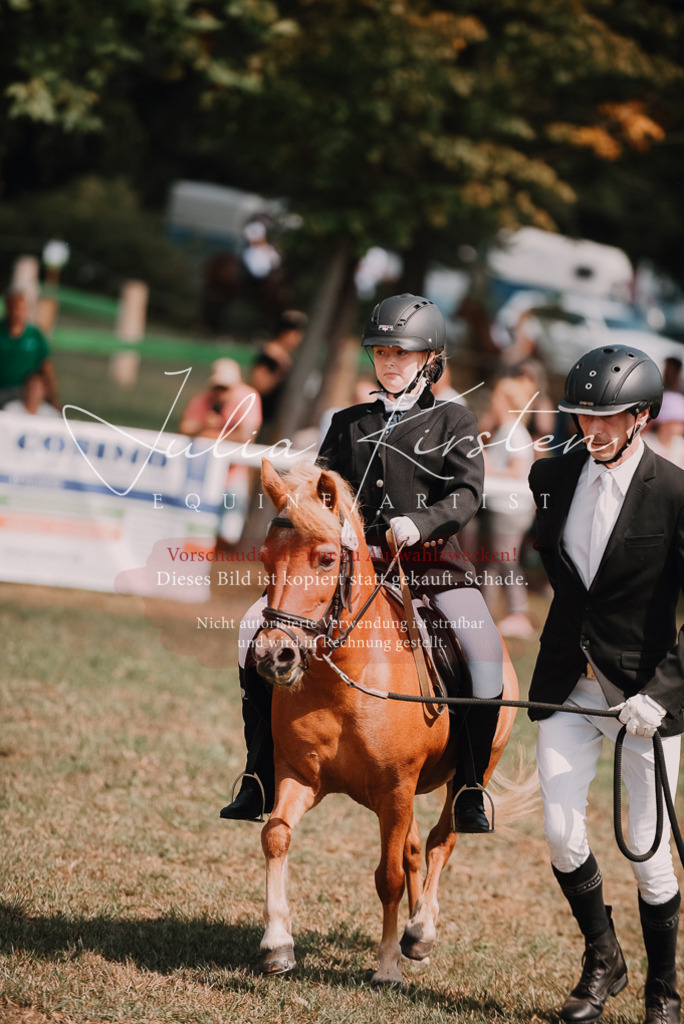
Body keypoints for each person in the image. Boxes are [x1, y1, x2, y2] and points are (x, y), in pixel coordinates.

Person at [222, 293, 505, 833]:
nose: (389, 363)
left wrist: (420, 524)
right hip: (346, 571)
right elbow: (314, 491)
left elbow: (467, 496)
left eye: (402, 353)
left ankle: (469, 787)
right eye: (380, 353)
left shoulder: (455, 420)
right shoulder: (348, 422)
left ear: (430, 359)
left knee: (484, 647)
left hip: (430, 567)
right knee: (250, 630)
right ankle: (259, 773)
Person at [528, 344, 684, 1024]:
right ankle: (603, 958)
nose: (591, 430)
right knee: (562, 835)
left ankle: (664, 993)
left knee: (649, 855)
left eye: (607, 419)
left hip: (644, 700)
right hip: (567, 684)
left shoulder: (676, 495)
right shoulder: (551, 477)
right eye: (582, 416)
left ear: (641, 417)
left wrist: (665, 691)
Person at [179, 359, 262, 544]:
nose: (220, 393)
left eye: (225, 387)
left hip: (233, 477)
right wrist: (204, 426)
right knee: (196, 535)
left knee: (228, 535)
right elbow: (184, 427)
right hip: (201, 477)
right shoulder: (203, 399)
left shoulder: (248, 398)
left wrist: (208, 433)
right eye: (218, 387)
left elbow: (247, 437)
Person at [479, 374, 537, 638]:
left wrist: (487, 467)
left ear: (507, 402)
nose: (493, 401)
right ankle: (485, 613)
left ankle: (519, 614)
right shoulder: (504, 429)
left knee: (505, 561)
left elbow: (519, 470)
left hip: (510, 509)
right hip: (499, 507)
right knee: (492, 562)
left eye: (497, 396)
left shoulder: (515, 431)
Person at [249, 310, 308, 438]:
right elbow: (259, 386)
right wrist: (280, 370)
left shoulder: (287, 357)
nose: (299, 339)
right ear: (286, 332)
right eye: (297, 334)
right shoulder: (269, 356)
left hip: (276, 421)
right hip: (263, 420)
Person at [0, 286, 58, 409]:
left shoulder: (34, 334)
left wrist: (52, 394)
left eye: (21, 308)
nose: (17, 312)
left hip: (25, 393)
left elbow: (46, 365)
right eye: (14, 308)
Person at [645, 389, 684, 471]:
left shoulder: (680, 445)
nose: (681, 426)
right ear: (663, 422)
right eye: (675, 422)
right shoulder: (646, 444)